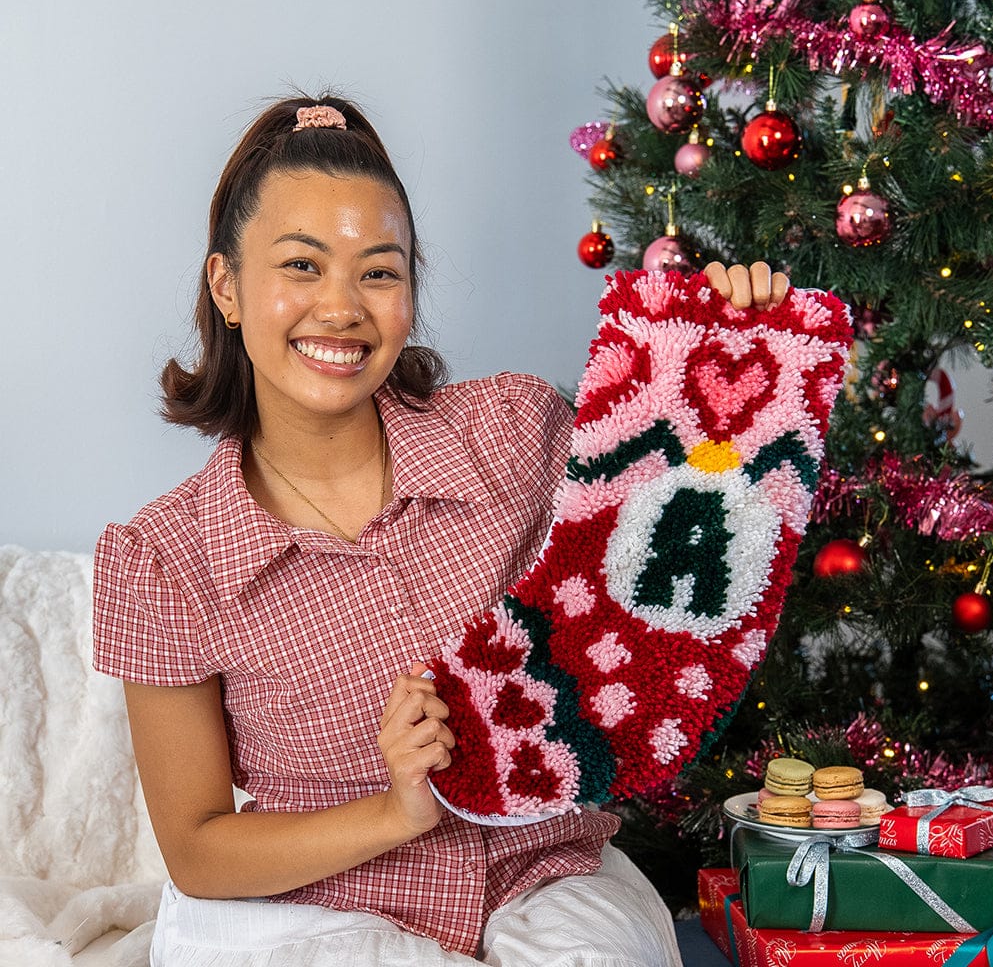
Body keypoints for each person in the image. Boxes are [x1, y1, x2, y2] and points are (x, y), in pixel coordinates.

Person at [92, 93, 789, 967]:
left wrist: (725, 341)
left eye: (378, 271)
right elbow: (197, 848)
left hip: (545, 874)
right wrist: (397, 809)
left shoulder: (512, 432)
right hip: (310, 908)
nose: (341, 307)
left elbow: (673, 559)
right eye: (302, 267)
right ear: (227, 286)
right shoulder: (163, 558)